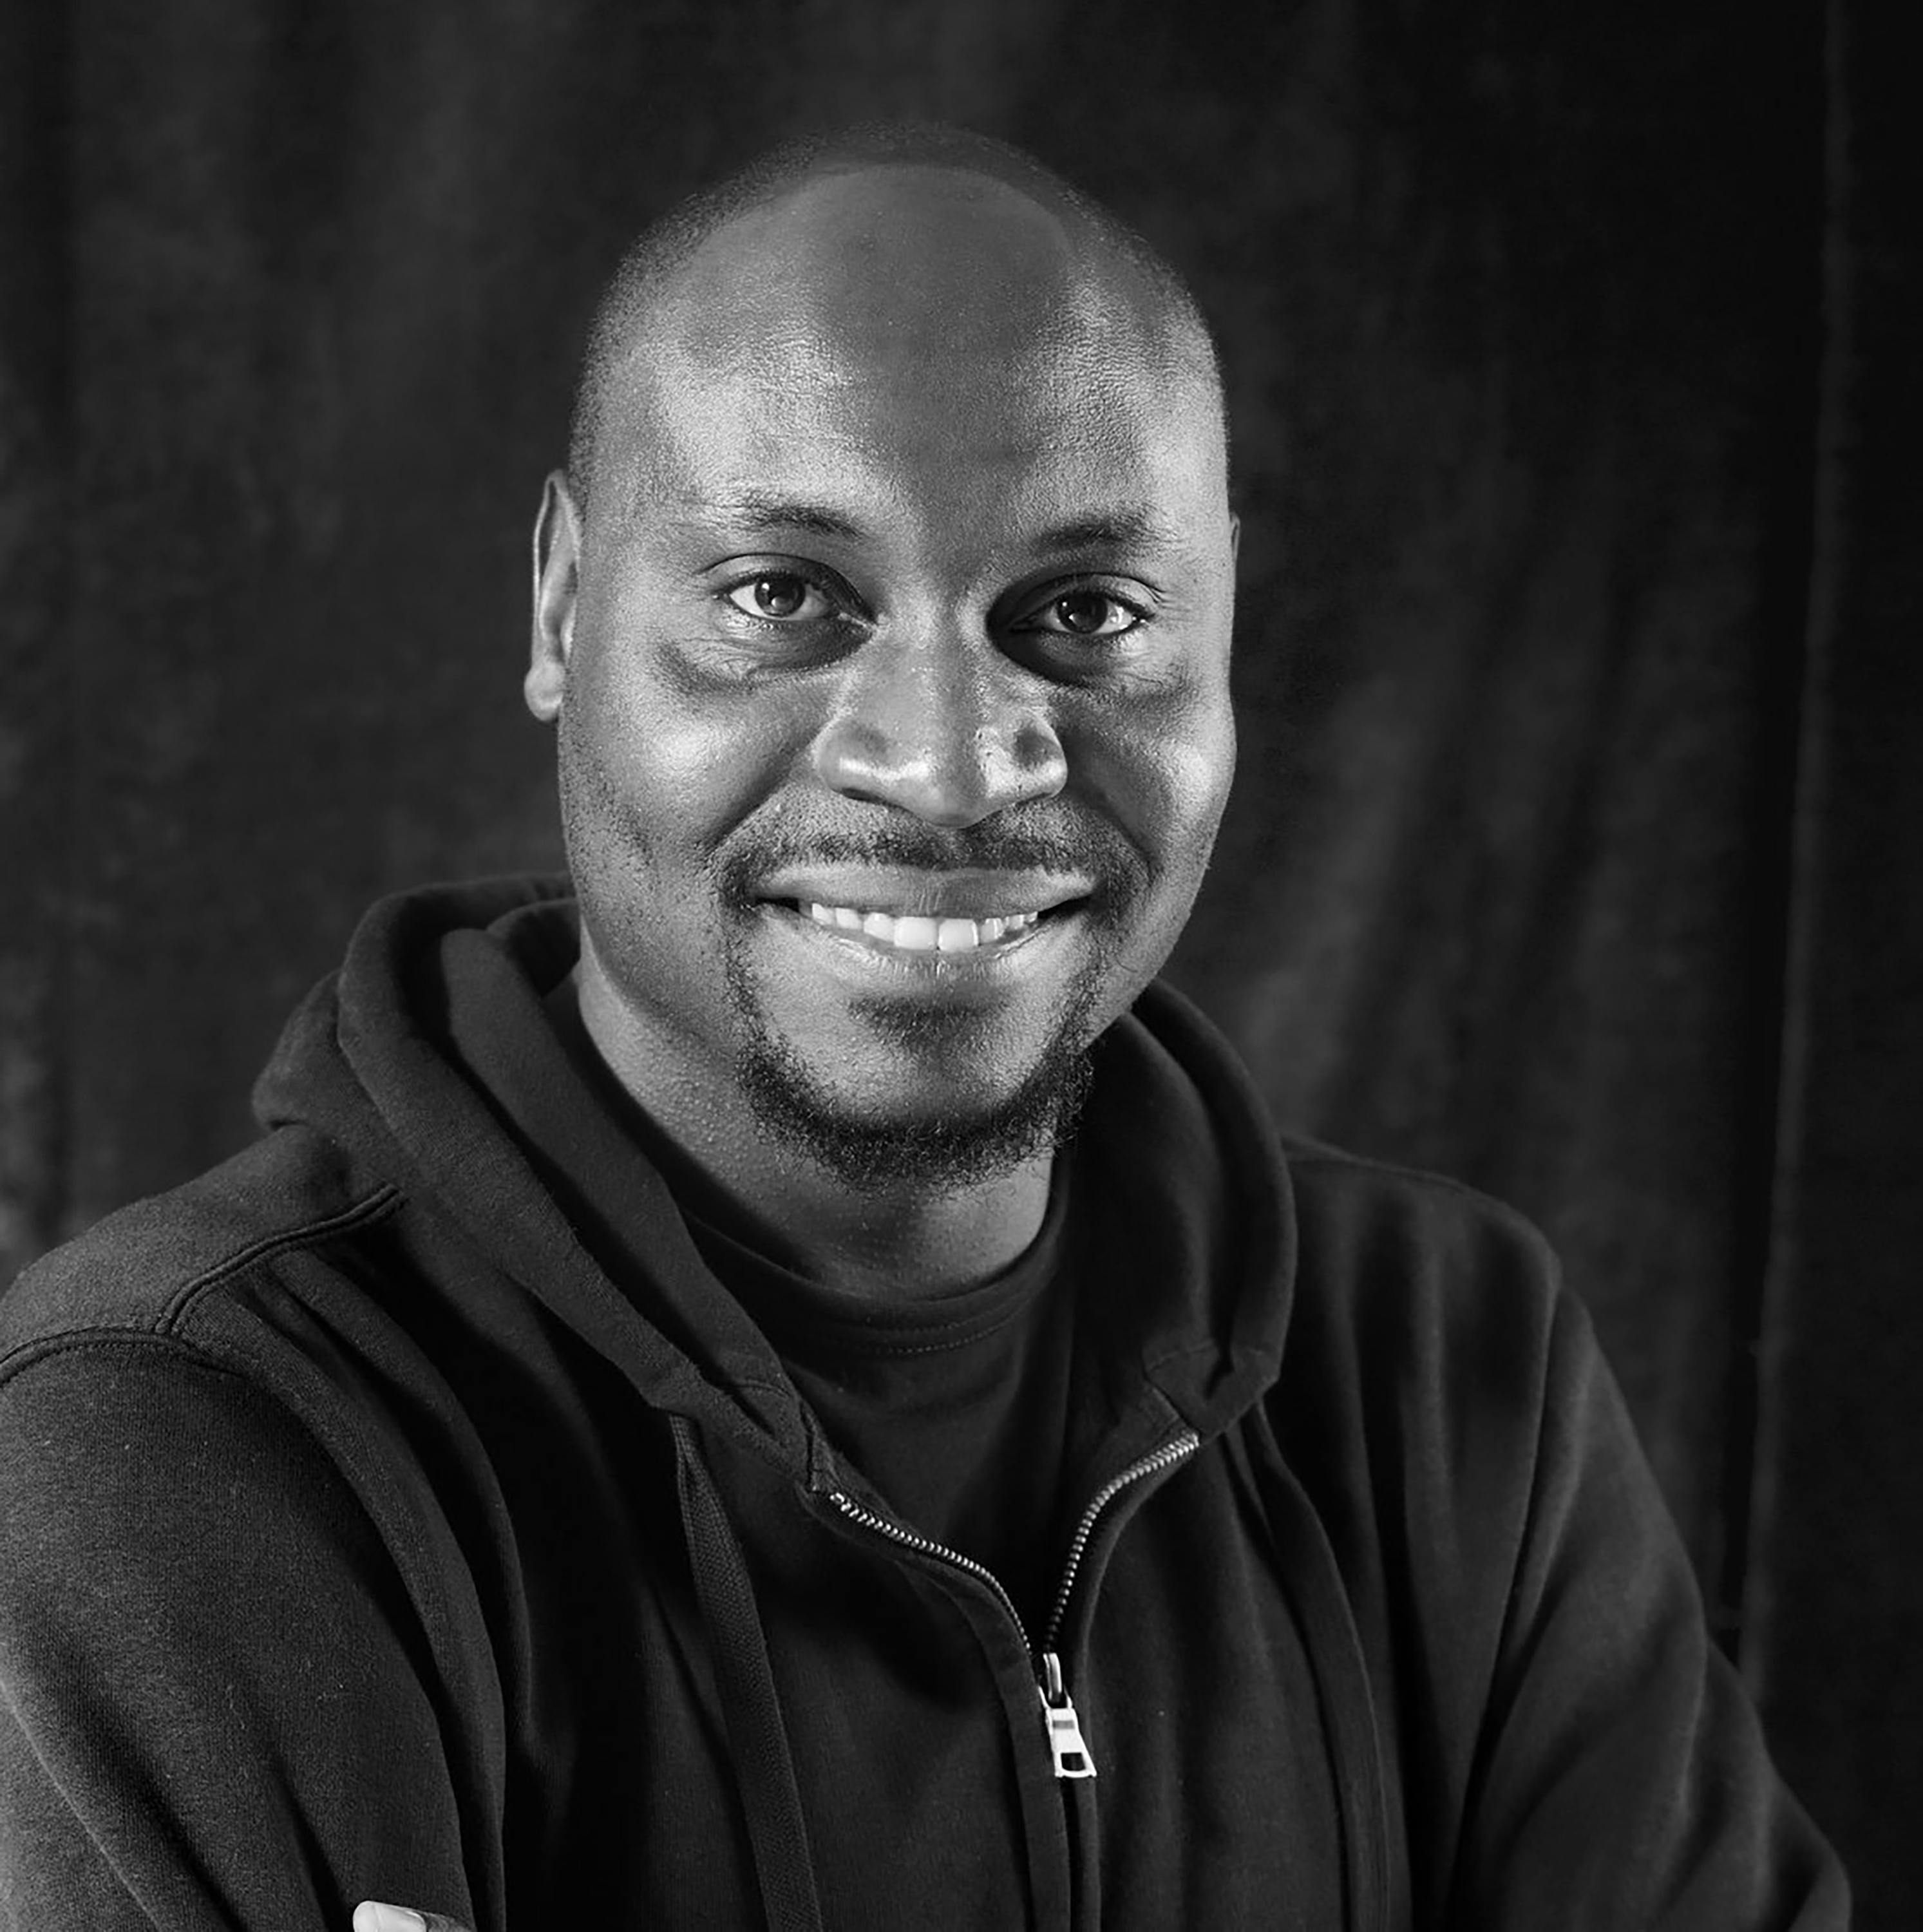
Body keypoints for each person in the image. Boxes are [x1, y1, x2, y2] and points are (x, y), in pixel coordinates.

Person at [0, 122, 1847, 1931]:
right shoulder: (188, 1441)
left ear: (1221, 637)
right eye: (782, 597)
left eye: (1085, 611)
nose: (954, 763)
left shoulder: (1448, 1374)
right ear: (566, 601)